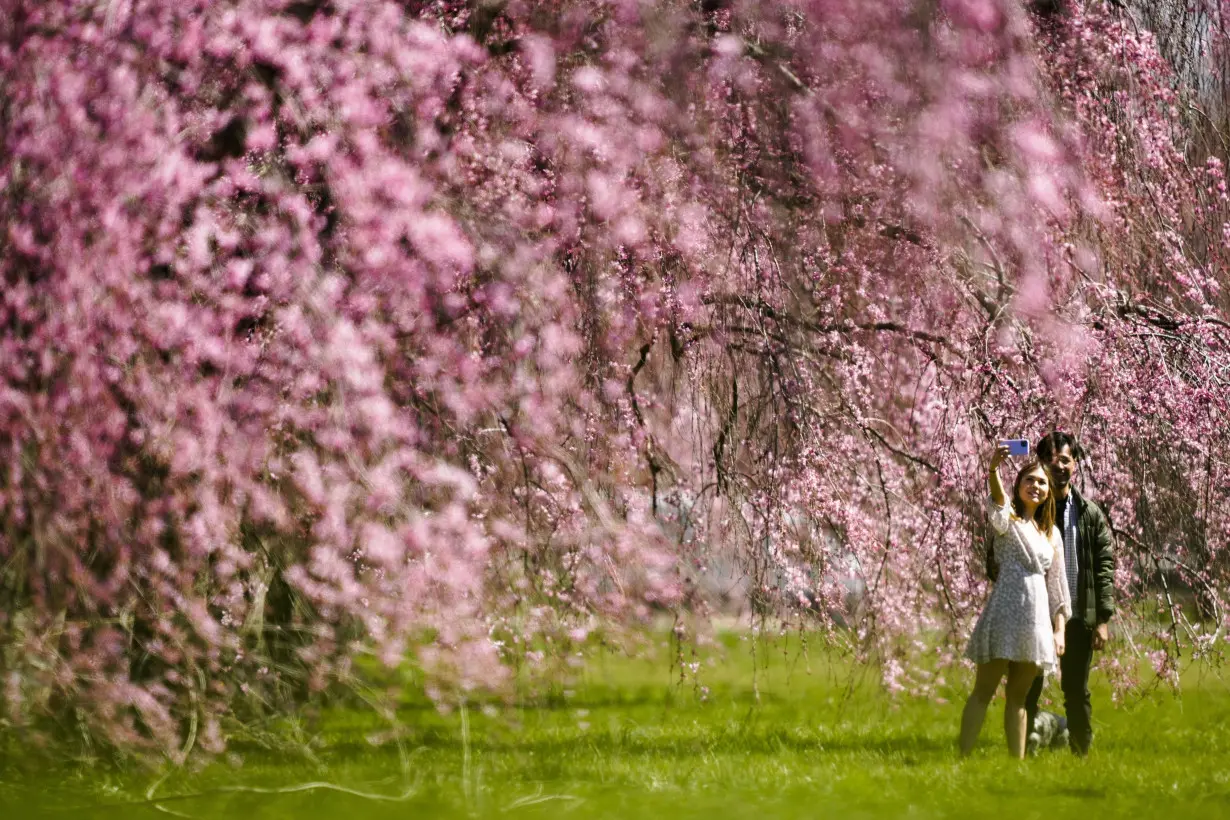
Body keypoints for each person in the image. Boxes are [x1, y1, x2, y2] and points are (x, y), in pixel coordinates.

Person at [959, 446, 1071, 759]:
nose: (1035, 486)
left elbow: (1057, 587)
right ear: (1019, 485)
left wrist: (1059, 630)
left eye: (1042, 482)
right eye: (1029, 480)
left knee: (1018, 698)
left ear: (1049, 491)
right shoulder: (1007, 521)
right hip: (1005, 615)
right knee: (983, 691)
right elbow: (998, 501)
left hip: (1035, 622)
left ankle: (1016, 765)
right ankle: (963, 757)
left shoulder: (1052, 535)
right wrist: (994, 469)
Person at [1024, 430, 1115, 756]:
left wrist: (1102, 619)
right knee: (1029, 686)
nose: (1057, 466)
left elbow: (1104, 567)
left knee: (1076, 689)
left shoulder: (1089, 514)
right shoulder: (1029, 511)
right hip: (1038, 616)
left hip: (1078, 615)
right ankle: (1023, 750)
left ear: (1074, 464)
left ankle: (1081, 754)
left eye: (1064, 459)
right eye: (1050, 459)